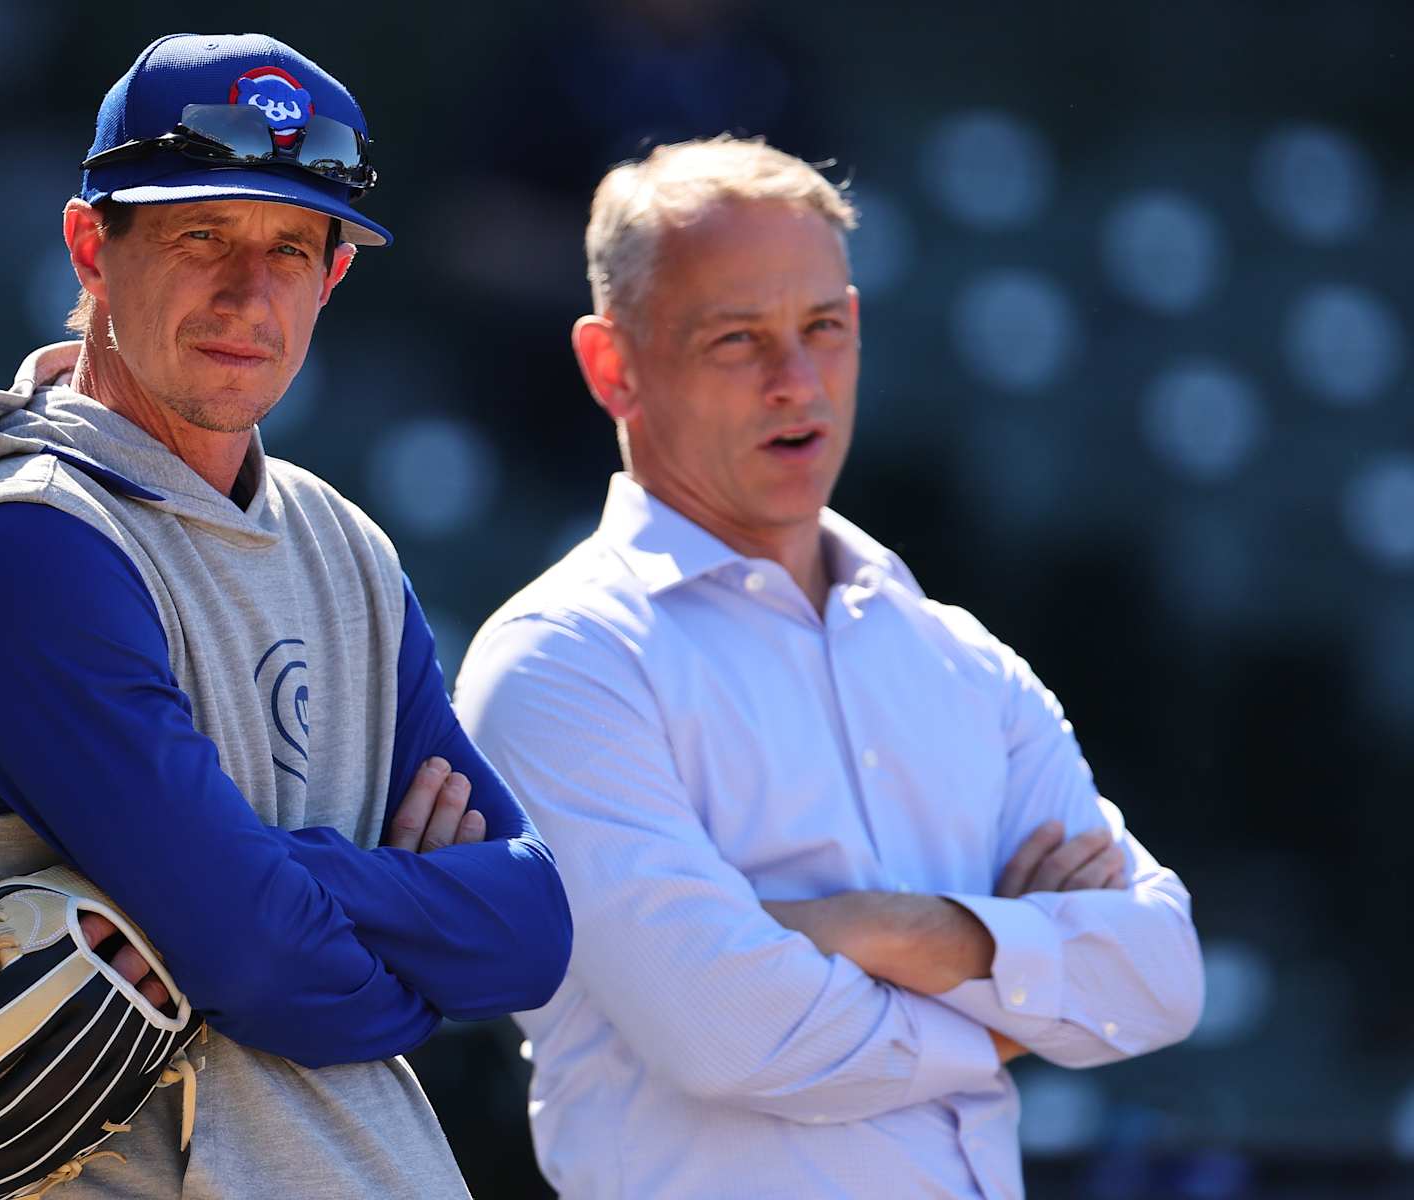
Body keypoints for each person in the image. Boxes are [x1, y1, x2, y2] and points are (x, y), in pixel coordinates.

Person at [0, 33, 570, 1200]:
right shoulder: (19, 544)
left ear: (334, 274)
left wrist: (272, 883)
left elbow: (533, 928)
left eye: (291, 247)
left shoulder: (344, 546)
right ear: (92, 246)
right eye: (202, 235)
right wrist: (394, 933)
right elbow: (259, 956)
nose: (249, 293)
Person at [453, 135, 1204, 1199]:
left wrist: (886, 931)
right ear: (611, 366)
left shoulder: (958, 657)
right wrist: (1017, 999)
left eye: (825, 329)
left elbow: (1161, 975)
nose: (796, 381)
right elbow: (726, 1035)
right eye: (736, 340)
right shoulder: (563, 664)